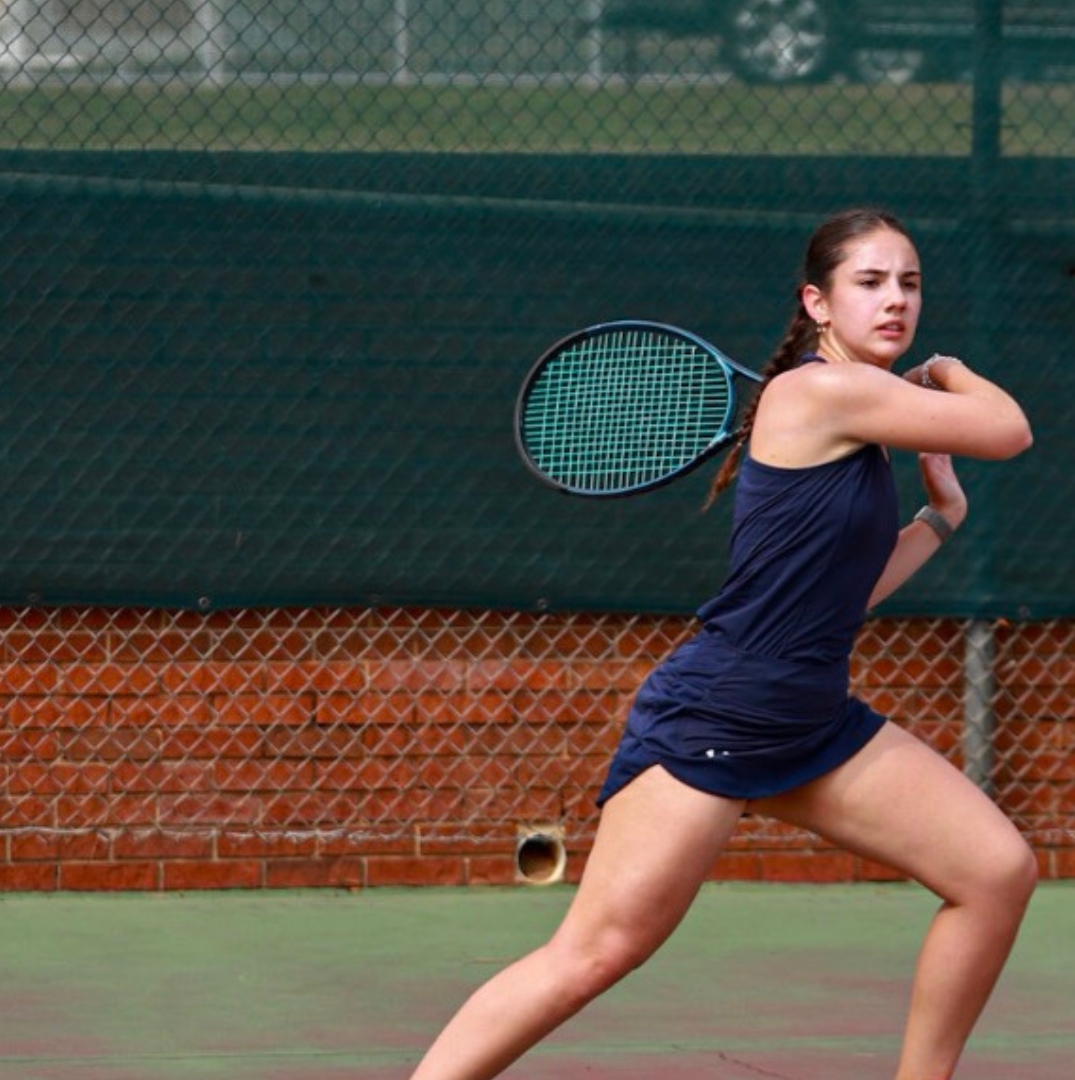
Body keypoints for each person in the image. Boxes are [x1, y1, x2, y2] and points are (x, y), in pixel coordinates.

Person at [410, 207, 1036, 1080]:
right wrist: (949, 370)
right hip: (722, 713)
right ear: (817, 303)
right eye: (870, 282)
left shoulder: (859, 413)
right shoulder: (822, 394)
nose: (896, 299)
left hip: (812, 722)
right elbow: (1007, 428)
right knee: (595, 953)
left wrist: (940, 518)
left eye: (910, 283)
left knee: (996, 873)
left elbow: (839, 598)